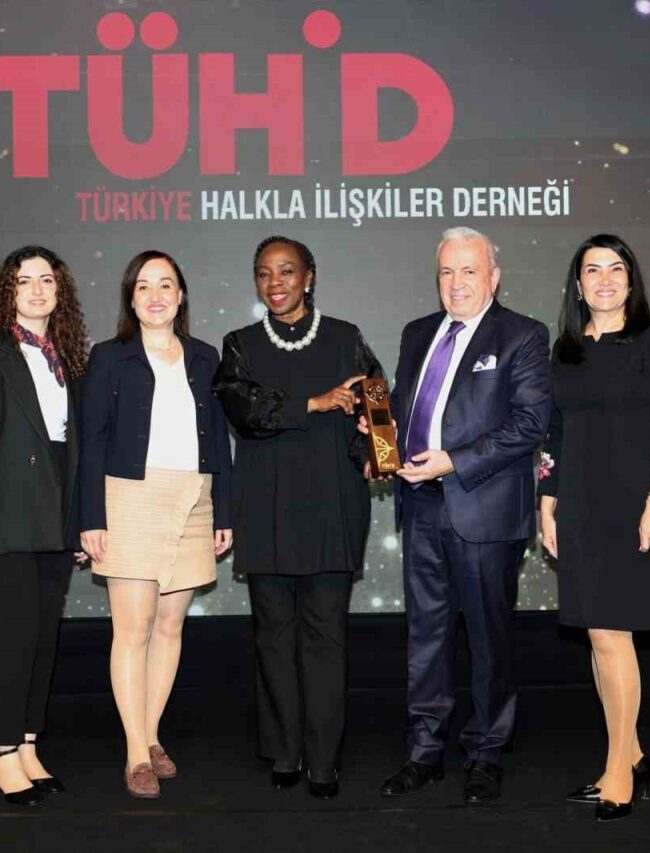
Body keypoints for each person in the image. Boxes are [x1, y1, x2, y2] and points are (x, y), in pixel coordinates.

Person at [371, 226, 551, 805]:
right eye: (447, 272)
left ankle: (485, 754)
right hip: (421, 506)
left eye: (469, 271)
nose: (457, 283)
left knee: (487, 639)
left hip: (484, 510)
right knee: (425, 638)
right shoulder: (417, 332)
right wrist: (379, 444)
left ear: (493, 277)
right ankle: (423, 751)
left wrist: (454, 461)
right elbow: (404, 409)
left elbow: (530, 424)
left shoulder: (523, 335)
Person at [214, 235, 382, 800]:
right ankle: (285, 751)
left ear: (309, 276)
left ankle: (324, 759)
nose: (275, 283)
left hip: (332, 506)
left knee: (325, 638)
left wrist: (375, 452)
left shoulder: (346, 338)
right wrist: (313, 403)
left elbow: (377, 406)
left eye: (287, 271)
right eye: (264, 273)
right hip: (266, 508)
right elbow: (244, 411)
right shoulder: (239, 345)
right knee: (273, 637)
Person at [537, 234, 650, 822]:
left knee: (611, 635)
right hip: (579, 507)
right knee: (600, 640)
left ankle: (618, 772)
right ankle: (632, 755)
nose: (604, 279)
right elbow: (554, 431)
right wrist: (546, 502)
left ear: (631, 280)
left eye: (615, 268)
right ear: (577, 285)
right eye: (592, 270)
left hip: (633, 508)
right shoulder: (566, 349)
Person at [79, 250, 233, 799]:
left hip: (194, 498)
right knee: (133, 629)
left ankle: (151, 735)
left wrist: (224, 511)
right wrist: (90, 518)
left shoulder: (205, 357)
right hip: (129, 499)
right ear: (131, 297)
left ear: (181, 295)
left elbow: (219, 438)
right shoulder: (109, 357)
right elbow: (91, 441)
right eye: (143, 286)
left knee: (170, 626)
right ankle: (135, 753)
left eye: (166, 284)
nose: (155, 295)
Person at [0, 245, 88, 806]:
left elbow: (77, 451)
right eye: (24, 280)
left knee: (45, 635)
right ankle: (5, 752)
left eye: (47, 280)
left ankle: (30, 745)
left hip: (58, 515)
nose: (37, 290)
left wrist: (81, 524)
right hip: (8, 514)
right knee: (15, 636)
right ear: (7, 291)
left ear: (60, 290)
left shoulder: (71, 357)